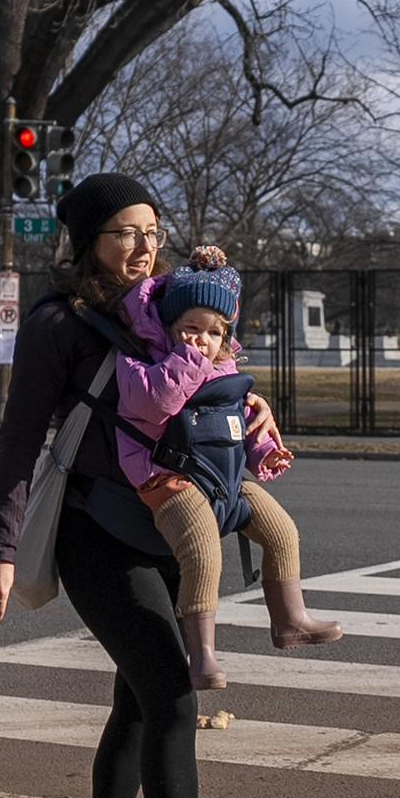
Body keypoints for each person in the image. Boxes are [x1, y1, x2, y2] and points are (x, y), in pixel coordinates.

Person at [0, 174, 265, 798]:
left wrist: (244, 399)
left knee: (138, 699)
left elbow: (206, 373)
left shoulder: (168, 305)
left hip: (167, 529)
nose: (142, 246)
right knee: (170, 690)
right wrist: (0, 551)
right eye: (124, 232)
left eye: (150, 231)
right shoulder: (57, 324)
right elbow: (18, 442)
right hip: (95, 535)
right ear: (87, 243)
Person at [116, 245, 342, 689]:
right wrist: (187, 360)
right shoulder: (140, 363)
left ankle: (290, 618)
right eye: (190, 329)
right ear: (168, 326)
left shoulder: (224, 373)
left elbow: (238, 424)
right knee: (204, 550)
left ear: (227, 337)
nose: (201, 340)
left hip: (225, 477)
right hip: (168, 477)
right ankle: (201, 653)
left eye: (213, 333)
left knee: (282, 531)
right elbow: (154, 402)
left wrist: (264, 451)